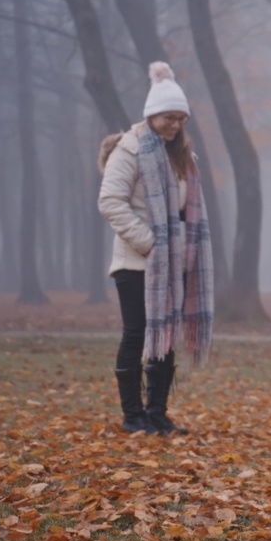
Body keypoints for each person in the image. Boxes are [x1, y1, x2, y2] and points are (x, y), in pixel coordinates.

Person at [98, 61, 214, 436]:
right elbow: (111, 201)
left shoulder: (182, 158)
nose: (175, 125)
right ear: (151, 115)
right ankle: (133, 416)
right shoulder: (129, 150)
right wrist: (151, 244)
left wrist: (179, 251)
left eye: (181, 118)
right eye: (169, 117)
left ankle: (157, 415)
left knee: (166, 336)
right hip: (137, 262)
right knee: (138, 334)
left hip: (173, 263)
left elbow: (184, 211)